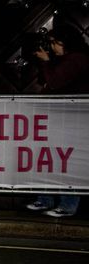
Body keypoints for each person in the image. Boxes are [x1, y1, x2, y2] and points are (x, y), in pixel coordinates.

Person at [26, 24, 89, 217]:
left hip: (70, 118)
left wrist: (46, 62)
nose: (53, 47)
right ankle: (45, 199)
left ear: (67, 42)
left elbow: (54, 82)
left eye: (56, 43)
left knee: (66, 162)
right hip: (57, 116)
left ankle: (67, 204)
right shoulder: (64, 59)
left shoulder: (77, 59)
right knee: (47, 159)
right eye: (51, 43)